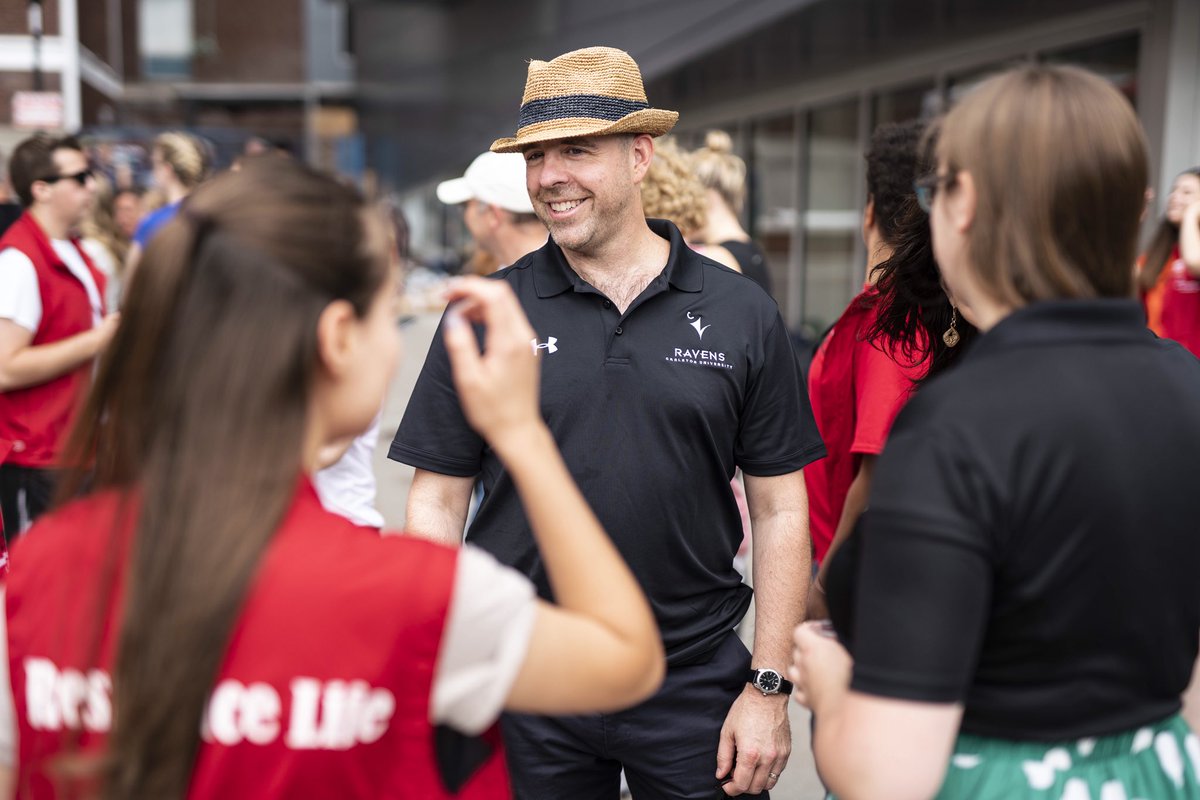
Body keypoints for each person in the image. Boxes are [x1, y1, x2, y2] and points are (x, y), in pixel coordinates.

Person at [0, 159, 664, 799]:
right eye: (387, 314)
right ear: (339, 337)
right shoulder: (410, 598)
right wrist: (523, 436)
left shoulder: (39, 565)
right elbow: (624, 658)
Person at [391, 46, 824, 799]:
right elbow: (437, 498)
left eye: (577, 151)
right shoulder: (491, 310)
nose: (549, 176)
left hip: (693, 681)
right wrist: (441, 657)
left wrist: (768, 686)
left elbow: (782, 508)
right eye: (537, 156)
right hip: (526, 677)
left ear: (639, 156)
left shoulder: (740, 310)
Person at [791, 65, 1200, 799]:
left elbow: (887, 777)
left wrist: (831, 684)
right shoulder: (1186, 384)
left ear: (966, 204)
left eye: (934, 193)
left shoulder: (955, 425)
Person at [804, 120, 966, 619]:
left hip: (856, 576)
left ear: (869, 212)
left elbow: (875, 473)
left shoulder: (893, 316)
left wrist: (824, 590)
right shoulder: (895, 309)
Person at [0, 134, 118, 541]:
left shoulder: (73, 249)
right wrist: (98, 340)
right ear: (41, 189)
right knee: (39, 574)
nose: (92, 186)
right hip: (38, 458)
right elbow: (5, 368)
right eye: (80, 177)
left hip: (74, 449)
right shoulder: (19, 261)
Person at [438, 151, 548, 272]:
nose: (464, 216)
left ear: (493, 215)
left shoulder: (523, 277)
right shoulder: (555, 268)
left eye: (465, 206)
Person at [691, 130, 773, 294]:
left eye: (686, 197)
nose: (680, 209)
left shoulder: (717, 258)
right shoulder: (751, 251)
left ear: (708, 196)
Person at [125, 131, 210, 279]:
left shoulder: (153, 223)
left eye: (154, 164)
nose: (153, 173)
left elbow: (131, 281)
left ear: (167, 170)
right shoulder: (209, 218)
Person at [1139, 167, 1200, 357]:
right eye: (1173, 190)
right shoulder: (1159, 254)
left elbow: (1194, 261)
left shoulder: (1192, 255)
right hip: (1158, 360)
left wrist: (1192, 215)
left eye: (1186, 192)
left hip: (1193, 364)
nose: (1174, 196)